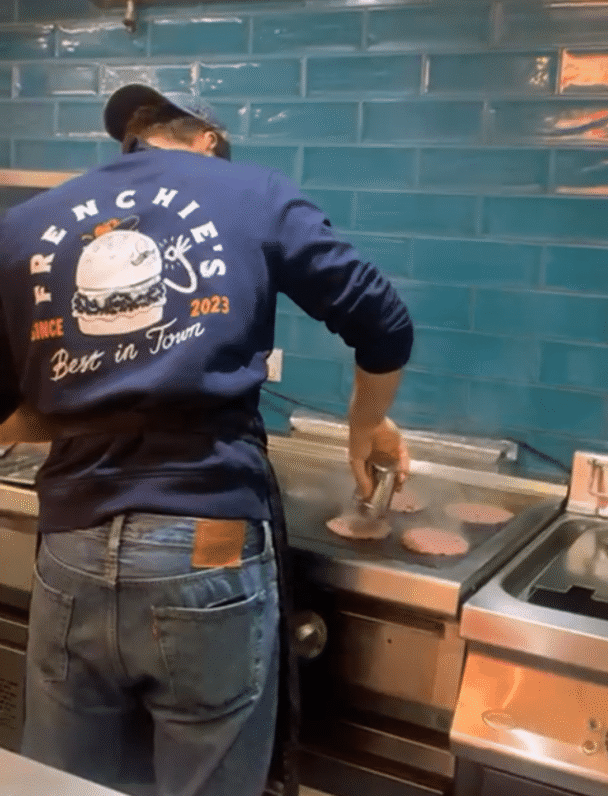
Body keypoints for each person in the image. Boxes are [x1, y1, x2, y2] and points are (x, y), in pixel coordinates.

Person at [0, 84, 414, 796]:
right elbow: (384, 320)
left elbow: (10, 417)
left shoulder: (25, 224)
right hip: (206, 544)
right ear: (208, 139)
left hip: (71, 546)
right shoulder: (253, 193)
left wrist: (97, 405)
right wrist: (366, 422)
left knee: (61, 786)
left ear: (129, 136)